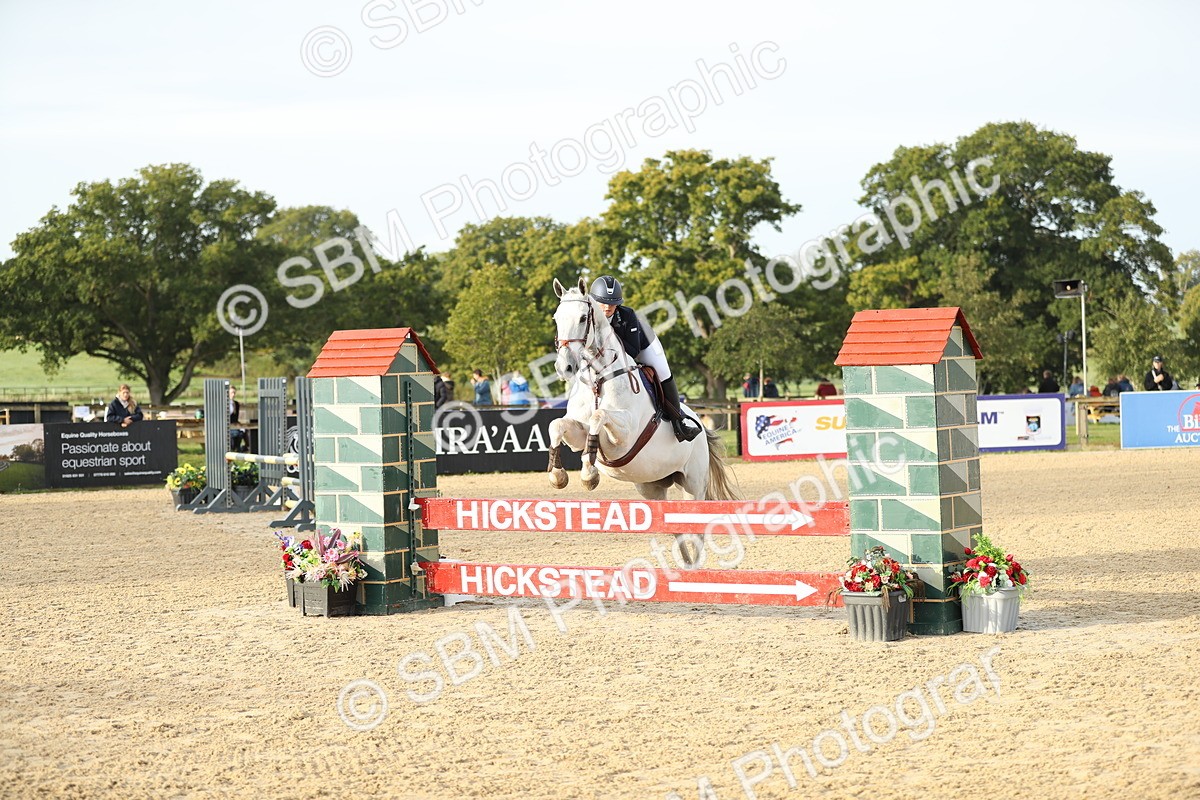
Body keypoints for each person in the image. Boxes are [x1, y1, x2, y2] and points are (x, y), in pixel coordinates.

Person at [588, 275, 700, 442]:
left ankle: (679, 422)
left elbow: (633, 351)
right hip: (609, 356)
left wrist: (610, 335)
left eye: (613, 302)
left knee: (663, 373)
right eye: (603, 302)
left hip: (643, 347)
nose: (607, 307)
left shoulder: (627, 316)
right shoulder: (588, 317)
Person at [228, 385, 248, 452]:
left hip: (235, 424)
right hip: (228, 425)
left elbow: (235, 418)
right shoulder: (225, 403)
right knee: (236, 433)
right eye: (231, 393)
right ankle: (235, 447)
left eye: (234, 393)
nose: (233, 394)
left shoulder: (236, 404)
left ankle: (246, 447)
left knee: (244, 430)